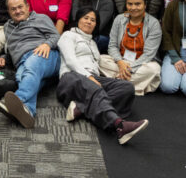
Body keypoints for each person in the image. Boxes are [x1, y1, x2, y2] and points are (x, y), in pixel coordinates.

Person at [58, 8, 150, 144]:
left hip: (93, 78)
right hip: (71, 77)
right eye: (85, 18)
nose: (89, 22)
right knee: (95, 88)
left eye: (93, 20)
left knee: (127, 88)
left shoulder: (93, 43)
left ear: (96, 24)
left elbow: (97, 66)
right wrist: (89, 77)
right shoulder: (68, 35)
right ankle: (120, 125)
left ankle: (82, 108)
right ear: (78, 20)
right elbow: (71, 61)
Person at [0, 0, 61, 129]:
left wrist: (47, 44)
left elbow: (56, 36)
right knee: (21, 77)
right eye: (13, 9)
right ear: (9, 12)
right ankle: (27, 111)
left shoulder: (41, 18)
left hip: (44, 54)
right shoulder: (7, 27)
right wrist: (3, 57)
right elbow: (10, 48)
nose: (17, 11)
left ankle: (17, 99)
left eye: (20, 7)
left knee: (31, 66)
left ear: (27, 6)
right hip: (22, 61)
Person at [103, 0, 162, 95]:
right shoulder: (119, 19)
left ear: (145, 5)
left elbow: (149, 54)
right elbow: (112, 46)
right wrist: (120, 62)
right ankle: (127, 85)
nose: (133, 8)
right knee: (100, 60)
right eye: (130, 4)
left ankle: (113, 83)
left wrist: (129, 69)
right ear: (126, 4)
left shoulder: (153, 23)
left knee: (154, 69)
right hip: (121, 61)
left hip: (142, 63)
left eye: (138, 4)